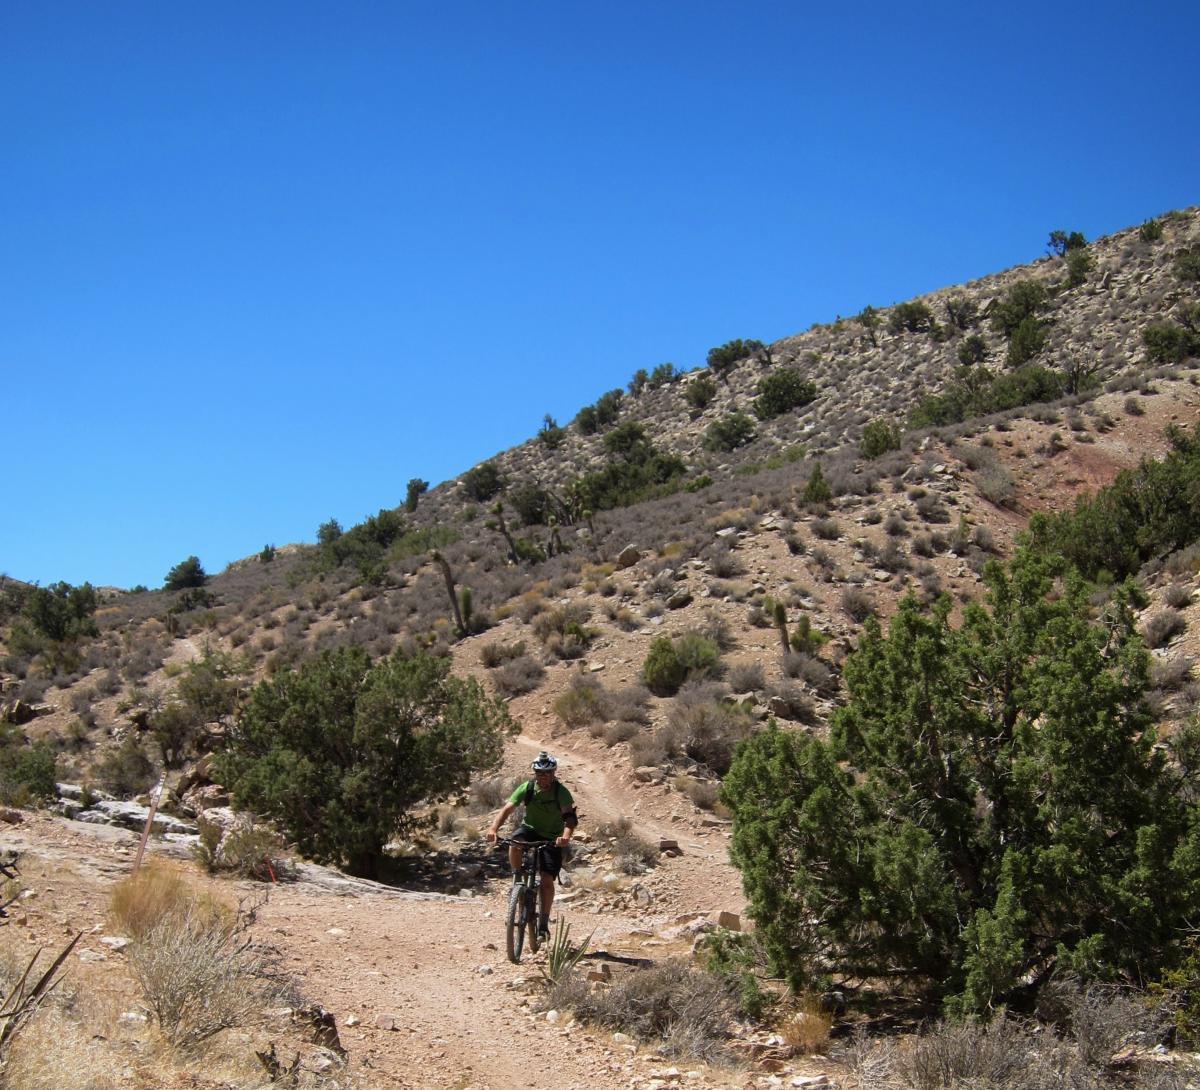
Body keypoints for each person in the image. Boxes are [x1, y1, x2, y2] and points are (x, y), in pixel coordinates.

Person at [486, 751, 577, 938]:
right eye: (539, 774)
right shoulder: (527, 788)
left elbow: (569, 817)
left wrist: (565, 836)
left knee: (546, 881)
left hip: (553, 836)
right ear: (535, 774)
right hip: (530, 829)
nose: (543, 777)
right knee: (515, 841)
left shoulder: (561, 792)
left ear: (553, 774)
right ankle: (517, 878)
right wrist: (493, 829)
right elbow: (507, 809)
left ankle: (543, 923)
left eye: (547, 773)